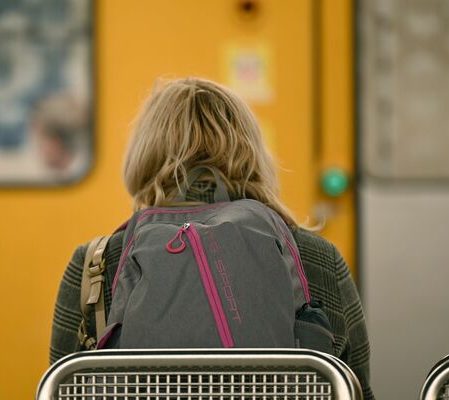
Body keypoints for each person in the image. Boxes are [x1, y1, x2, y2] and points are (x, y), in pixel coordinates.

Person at [49, 77, 375, 399]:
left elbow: (63, 387)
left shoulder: (97, 262)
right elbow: (356, 387)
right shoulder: (315, 257)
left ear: (145, 156)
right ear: (252, 153)